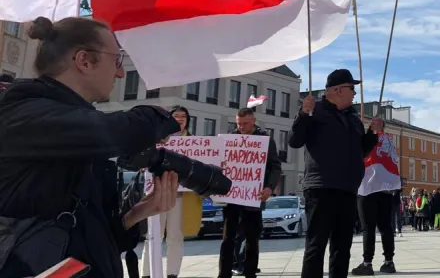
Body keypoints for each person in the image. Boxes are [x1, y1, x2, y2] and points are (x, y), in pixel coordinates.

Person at [0, 16, 180, 278]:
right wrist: (158, 115)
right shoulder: (26, 113)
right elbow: (122, 132)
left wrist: (137, 213)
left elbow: (84, 236)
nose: (120, 72)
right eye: (116, 61)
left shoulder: (70, 127)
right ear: (84, 60)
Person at [289, 69, 380, 278]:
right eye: (352, 89)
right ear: (338, 90)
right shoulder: (315, 110)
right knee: (316, 245)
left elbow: (361, 151)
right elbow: (295, 141)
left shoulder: (354, 118)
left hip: (347, 189)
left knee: (342, 247)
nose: (355, 94)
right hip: (321, 187)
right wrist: (303, 114)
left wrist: (372, 134)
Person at [217, 107, 281, 278]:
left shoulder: (266, 140)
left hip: (255, 196)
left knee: (252, 238)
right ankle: (223, 273)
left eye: (245, 123)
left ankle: (250, 273)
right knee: (228, 238)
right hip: (232, 197)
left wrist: (269, 187)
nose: (242, 127)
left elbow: (275, 167)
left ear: (254, 121)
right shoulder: (230, 139)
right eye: (239, 124)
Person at [142, 106, 203, 278]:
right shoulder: (157, 138)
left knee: (176, 236)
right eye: (176, 116)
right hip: (157, 192)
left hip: (180, 195)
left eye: (184, 116)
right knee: (153, 235)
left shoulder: (195, 142)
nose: (180, 119)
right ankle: (147, 273)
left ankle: (172, 274)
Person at [352, 119, 400, 275]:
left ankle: (367, 263)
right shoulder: (389, 140)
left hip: (368, 186)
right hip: (386, 188)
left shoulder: (370, 138)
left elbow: (360, 152)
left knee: (368, 228)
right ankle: (389, 261)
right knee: (386, 227)